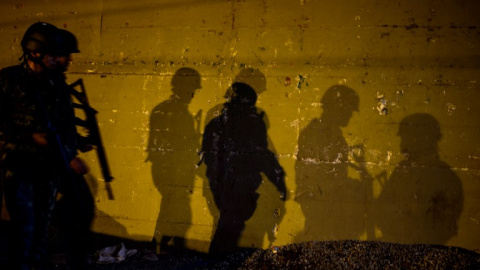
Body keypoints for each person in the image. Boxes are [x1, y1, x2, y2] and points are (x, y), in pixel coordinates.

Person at [0, 22, 87, 270]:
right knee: (24, 230)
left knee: (41, 230)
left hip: (48, 169)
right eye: (57, 56)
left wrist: (70, 153)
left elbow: (67, 126)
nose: (65, 60)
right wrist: (29, 137)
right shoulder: (9, 80)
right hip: (18, 167)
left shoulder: (56, 86)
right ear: (35, 52)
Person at [202, 82, 287, 254]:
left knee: (230, 223)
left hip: (233, 183)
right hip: (233, 183)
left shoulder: (224, 123)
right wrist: (278, 180)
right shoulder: (243, 124)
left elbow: (261, 154)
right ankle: (217, 259)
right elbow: (261, 154)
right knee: (230, 224)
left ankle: (218, 258)